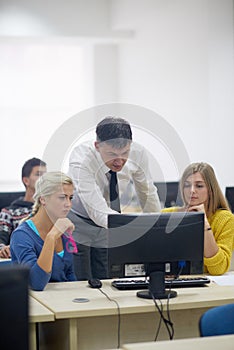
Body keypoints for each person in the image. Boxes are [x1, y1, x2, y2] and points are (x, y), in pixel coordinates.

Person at [68, 116, 161, 280]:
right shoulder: (81, 159)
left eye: (125, 153)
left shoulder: (138, 154)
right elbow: (96, 209)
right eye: (112, 154)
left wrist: (157, 227)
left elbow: (147, 192)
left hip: (111, 219)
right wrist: (129, 229)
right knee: (81, 279)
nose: (119, 161)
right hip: (79, 220)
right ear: (97, 146)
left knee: (107, 277)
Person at [162, 162, 234, 275]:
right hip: (172, 283)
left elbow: (218, 269)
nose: (191, 190)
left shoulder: (225, 219)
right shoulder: (167, 215)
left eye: (199, 186)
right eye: (187, 185)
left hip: (207, 286)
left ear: (210, 190)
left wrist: (203, 222)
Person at [10, 171, 77, 291]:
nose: (68, 204)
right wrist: (51, 237)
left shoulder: (65, 231)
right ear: (43, 199)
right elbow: (36, 283)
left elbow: (70, 275)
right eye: (62, 197)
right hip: (37, 304)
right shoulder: (21, 235)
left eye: (70, 198)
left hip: (64, 301)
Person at [0, 157, 47, 258]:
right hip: (22, 262)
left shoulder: (51, 209)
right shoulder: (9, 212)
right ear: (26, 180)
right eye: (38, 174)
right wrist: (4, 249)